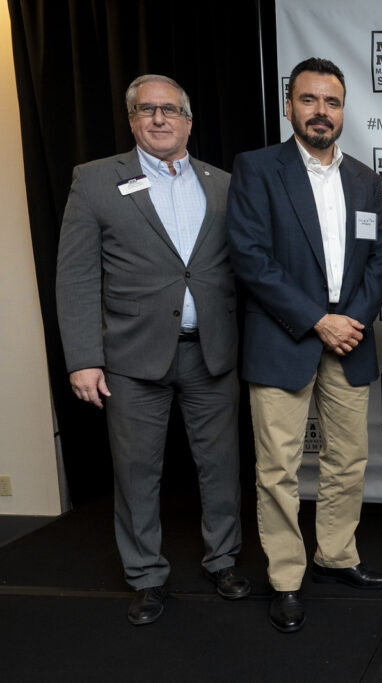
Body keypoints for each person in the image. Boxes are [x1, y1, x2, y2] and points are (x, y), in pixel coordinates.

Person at [55, 74, 249, 625]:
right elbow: (74, 277)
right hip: (131, 360)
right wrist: (83, 358)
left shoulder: (225, 184)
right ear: (133, 120)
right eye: (147, 110)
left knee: (220, 466)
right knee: (137, 471)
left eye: (170, 110)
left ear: (189, 120)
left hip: (212, 353)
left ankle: (224, 560)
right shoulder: (94, 182)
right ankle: (145, 575)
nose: (159, 119)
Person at [226, 57, 382, 633]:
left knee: (348, 460)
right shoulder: (256, 169)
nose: (321, 112)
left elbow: (380, 259)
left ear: (343, 110)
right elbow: (250, 257)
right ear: (289, 104)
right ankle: (286, 577)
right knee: (277, 468)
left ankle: (336, 556)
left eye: (332, 102)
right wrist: (317, 320)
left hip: (349, 342)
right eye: (309, 100)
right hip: (282, 340)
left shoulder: (365, 179)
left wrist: (351, 320)